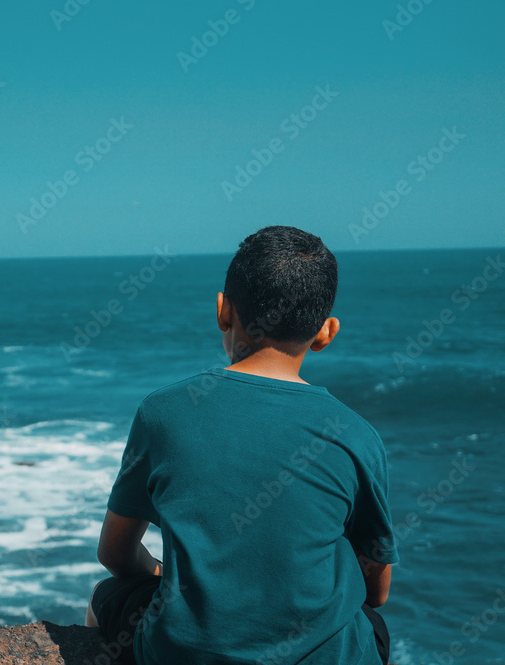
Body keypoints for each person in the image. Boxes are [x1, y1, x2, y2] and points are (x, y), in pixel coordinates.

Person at [86, 226, 398, 665]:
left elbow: (114, 555)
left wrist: (162, 573)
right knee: (371, 625)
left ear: (222, 310)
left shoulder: (163, 412)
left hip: (182, 654)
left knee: (108, 596)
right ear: (327, 332)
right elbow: (377, 591)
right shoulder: (357, 434)